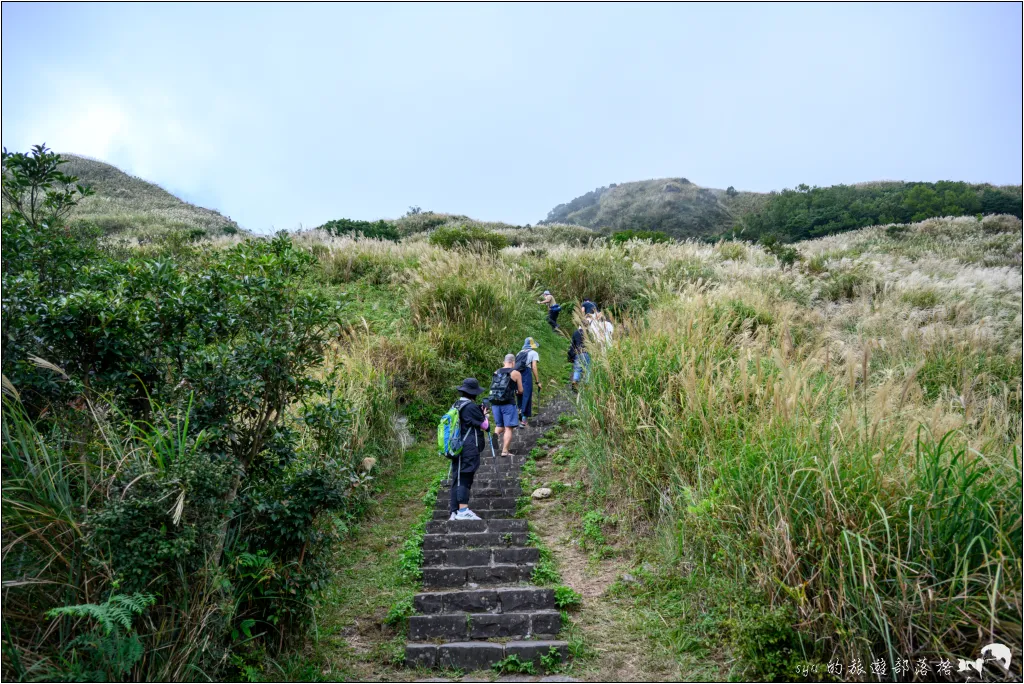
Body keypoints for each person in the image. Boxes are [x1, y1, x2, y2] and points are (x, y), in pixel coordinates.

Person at [448, 378, 489, 520]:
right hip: (469, 448)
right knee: (465, 477)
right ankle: (463, 510)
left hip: (456, 447)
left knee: (457, 478)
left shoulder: (456, 405)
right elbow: (485, 426)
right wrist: (484, 414)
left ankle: (454, 511)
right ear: (473, 393)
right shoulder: (471, 407)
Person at [488, 354, 524, 456]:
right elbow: (521, 390)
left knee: (499, 425)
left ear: (504, 362)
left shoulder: (496, 372)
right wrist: (517, 391)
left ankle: (496, 434)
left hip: (495, 403)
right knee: (508, 427)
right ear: (513, 362)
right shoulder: (515, 373)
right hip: (508, 403)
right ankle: (505, 451)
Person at [515, 337, 541, 428]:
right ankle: (524, 420)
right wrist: (537, 381)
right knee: (527, 395)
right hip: (526, 374)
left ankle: (519, 411)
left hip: (517, 374)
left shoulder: (519, 353)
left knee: (519, 393)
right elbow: (534, 367)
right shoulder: (534, 353)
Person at [569, 317, 591, 392]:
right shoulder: (588, 333)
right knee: (588, 369)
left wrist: (571, 354)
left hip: (578, 353)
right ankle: (587, 384)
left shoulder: (576, 333)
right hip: (586, 352)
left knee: (577, 369)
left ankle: (575, 381)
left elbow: (572, 344)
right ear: (587, 325)